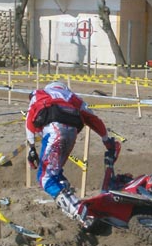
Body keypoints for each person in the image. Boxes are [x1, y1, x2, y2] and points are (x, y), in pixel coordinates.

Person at [26, 81, 119, 227]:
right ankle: (71, 202)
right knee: (55, 172)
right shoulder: (73, 97)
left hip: (54, 132)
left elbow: (29, 118)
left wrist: (31, 147)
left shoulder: (40, 93)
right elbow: (94, 120)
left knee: (45, 177)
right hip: (71, 133)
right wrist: (106, 140)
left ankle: (79, 211)